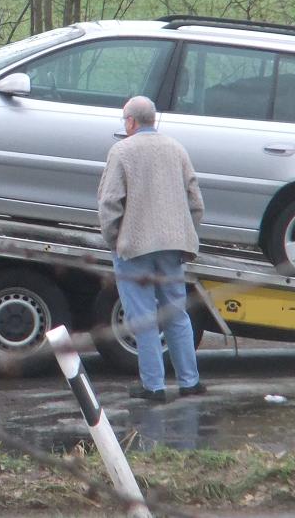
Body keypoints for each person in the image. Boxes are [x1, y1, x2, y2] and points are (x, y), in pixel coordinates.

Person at [98, 95, 206, 403]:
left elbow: (110, 202)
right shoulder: (176, 149)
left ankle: (153, 386)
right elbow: (196, 202)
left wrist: (114, 240)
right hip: (172, 246)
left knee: (143, 317)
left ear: (131, 121)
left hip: (135, 247)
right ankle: (189, 381)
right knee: (176, 314)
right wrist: (186, 235)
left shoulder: (122, 151)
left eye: (125, 120)